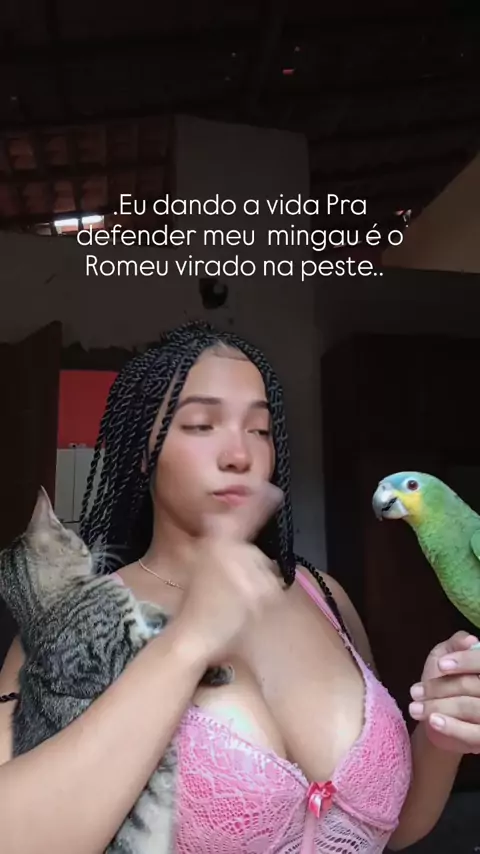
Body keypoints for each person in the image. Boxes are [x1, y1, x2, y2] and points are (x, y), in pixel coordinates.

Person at [1, 319, 480, 854]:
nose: (240, 454)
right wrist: (189, 642)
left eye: (260, 430)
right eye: (201, 425)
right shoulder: (67, 626)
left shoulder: (324, 596)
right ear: (142, 449)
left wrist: (440, 734)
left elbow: (390, 830)